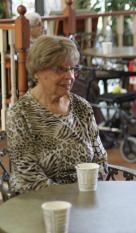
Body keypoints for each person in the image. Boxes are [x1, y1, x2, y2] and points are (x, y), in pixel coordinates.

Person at [6, 35, 107, 194]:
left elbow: (100, 159)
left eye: (72, 68)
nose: (70, 76)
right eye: (61, 69)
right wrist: (72, 199)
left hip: (84, 199)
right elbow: (29, 176)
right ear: (38, 71)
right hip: (39, 204)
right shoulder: (21, 114)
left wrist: (89, 192)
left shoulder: (82, 107)